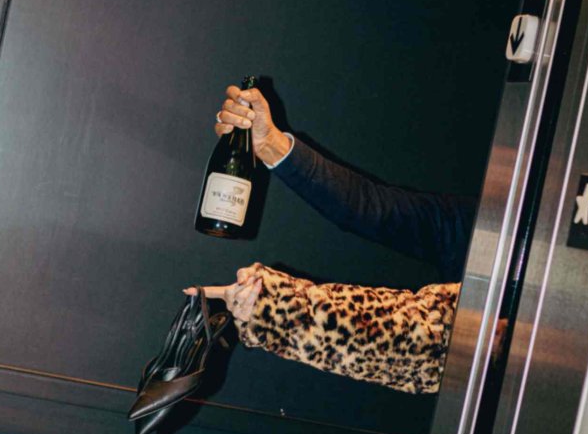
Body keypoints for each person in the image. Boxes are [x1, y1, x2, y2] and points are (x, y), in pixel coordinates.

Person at [185, 83, 479, 394]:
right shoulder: (495, 228)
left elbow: (429, 342)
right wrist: (270, 143)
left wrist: (274, 308)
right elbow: (372, 208)